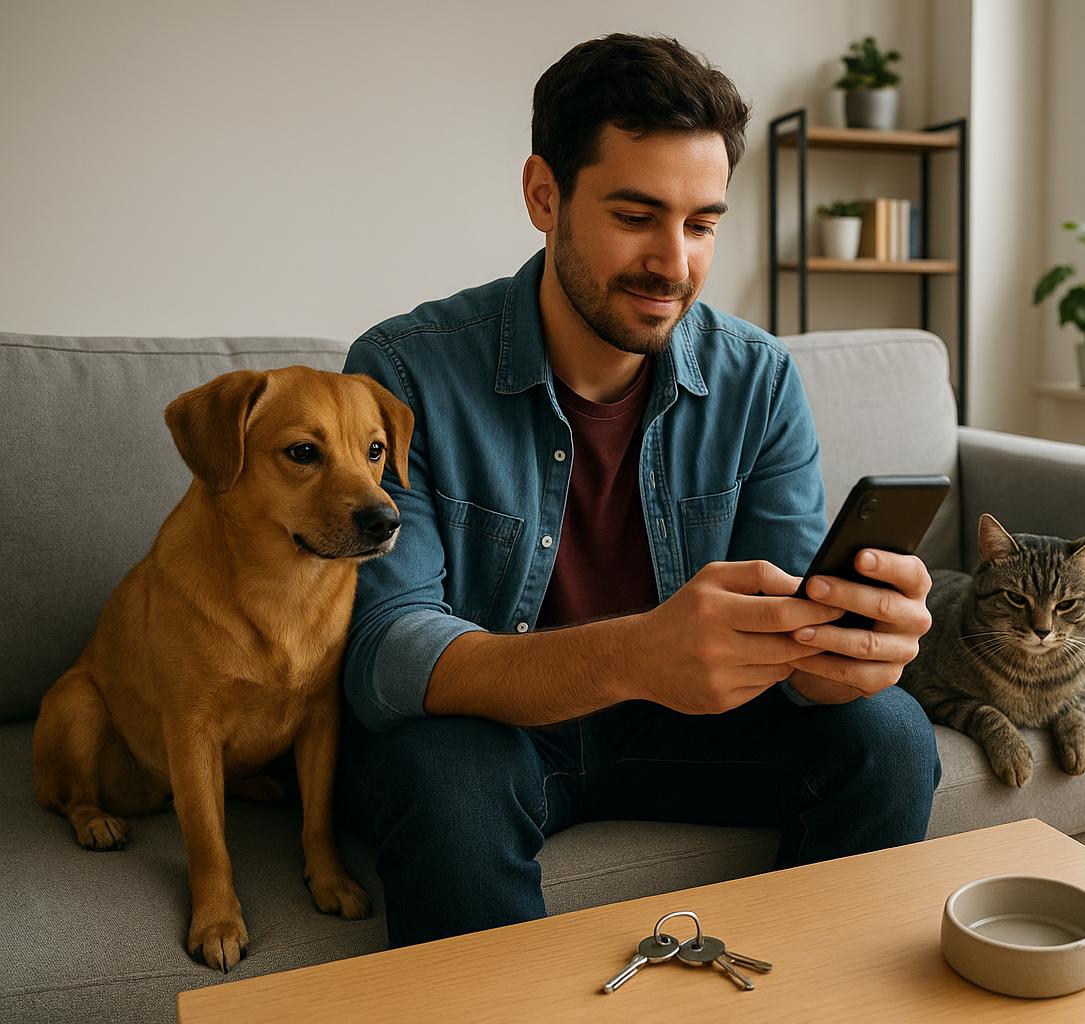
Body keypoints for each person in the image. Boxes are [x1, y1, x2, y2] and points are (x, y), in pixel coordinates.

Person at [336, 32, 941, 949]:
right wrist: (632, 654)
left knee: (888, 731)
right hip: (500, 736)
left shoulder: (760, 380)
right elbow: (388, 656)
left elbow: (787, 624)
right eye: (635, 215)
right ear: (545, 196)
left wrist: (838, 658)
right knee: (440, 772)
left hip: (686, 731)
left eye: (701, 225)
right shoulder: (403, 371)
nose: (675, 263)